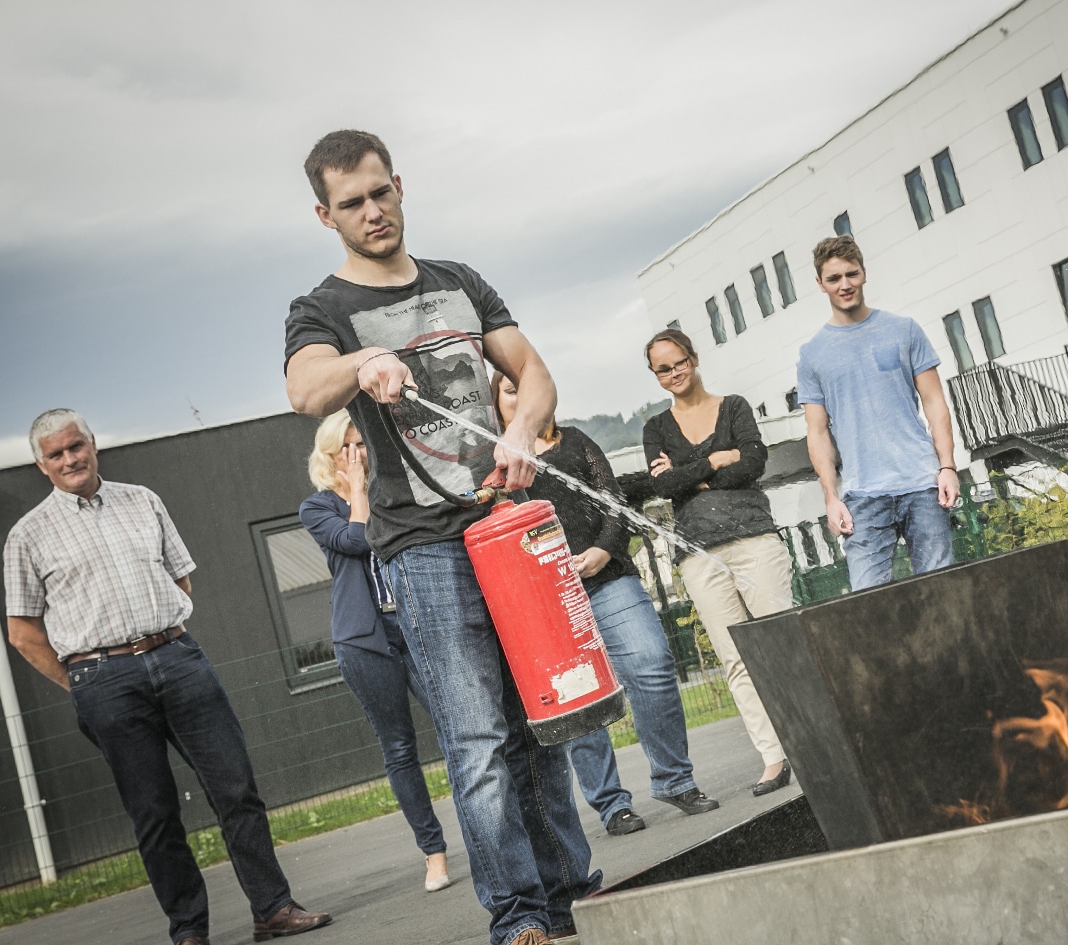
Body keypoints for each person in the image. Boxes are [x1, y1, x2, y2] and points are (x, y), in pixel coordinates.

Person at [283, 129, 597, 945]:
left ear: (399, 185)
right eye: (351, 202)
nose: (372, 210)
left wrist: (522, 430)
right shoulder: (323, 309)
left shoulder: (459, 281)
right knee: (478, 737)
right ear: (325, 213)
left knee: (541, 721)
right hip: (422, 548)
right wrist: (364, 363)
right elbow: (304, 387)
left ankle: (567, 895)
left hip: (501, 525)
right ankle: (517, 914)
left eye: (380, 191)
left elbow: (534, 372)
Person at [3, 409, 331, 945]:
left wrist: (162, 637)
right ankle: (188, 931)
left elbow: (181, 579)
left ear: (92, 444)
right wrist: (81, 682)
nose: (70, 460)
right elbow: (22, 633)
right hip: (101, 679)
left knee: (236, 789)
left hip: (177, 658)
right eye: (56, 455)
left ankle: (273, 909)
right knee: (154, 814)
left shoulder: (143, 500)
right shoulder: (28, 534)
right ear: (42, 465)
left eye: (76, 447)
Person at [491, 372, 720, 836]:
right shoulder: (495, 464)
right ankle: (612, 804)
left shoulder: (574, 441)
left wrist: (604, 550)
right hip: (546, 601)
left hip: (607, 577)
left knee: (652, 664)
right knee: (580, 700)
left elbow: (612, 498)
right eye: (511, 389)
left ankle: (674, 779)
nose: (524, 395)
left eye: (528, 386)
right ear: (496, 402)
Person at [299, 412, 451, 891]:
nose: (358, 454)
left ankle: (487, 832)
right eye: (348, 447)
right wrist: (359, 490)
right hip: (364, 639)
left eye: (363, 444)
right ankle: (434, 854)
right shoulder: (317, 507)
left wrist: (370, 486)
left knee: (455, 727)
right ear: (330, 456)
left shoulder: (393, 490)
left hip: (414, 623)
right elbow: (353, 539)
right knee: (400, 748)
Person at [641, 328, 794, 797]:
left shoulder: (735, 407)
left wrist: (689, 473)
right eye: (662, 368)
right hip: (698, 554)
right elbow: (665, 489)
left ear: (694, 357)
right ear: (655, 374)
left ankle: (810, 738)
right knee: (736, 660)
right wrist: (715, 461)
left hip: (753, 539)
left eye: (678, 362)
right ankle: (773, 757)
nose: (674, 373)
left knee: (781, 645)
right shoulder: (655, 429)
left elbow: (753, 464)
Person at [796, 234, 960, 592]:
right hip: (862, 495)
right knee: (869, 603)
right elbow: (818, 431)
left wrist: (947, 466)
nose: (845, 285)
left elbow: (935, 403)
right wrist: (831, 496)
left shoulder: (904, 330)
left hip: (922, 483)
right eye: (834, 279)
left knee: (942, 594)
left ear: (864, 273)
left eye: (851, 274)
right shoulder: (812, 354)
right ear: (820, 284)